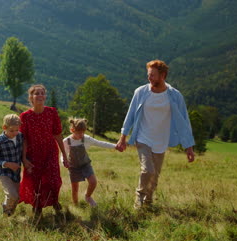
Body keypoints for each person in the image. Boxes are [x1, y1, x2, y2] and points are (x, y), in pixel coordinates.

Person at [116, 59, 195, 209]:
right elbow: (131, 114)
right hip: (142, 138)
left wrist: (189, 147)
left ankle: (148, 202)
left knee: (155, 177)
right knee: (148, 170)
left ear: (163, 76)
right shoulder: (141, 92)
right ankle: (138, 200)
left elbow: (184, 122)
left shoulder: (175, 96)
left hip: (161, 141)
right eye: (148, 75)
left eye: (152, 75)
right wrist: (123, 137)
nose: (149, 78)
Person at [20, 84, 69, 217]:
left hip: (50, 152)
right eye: (37, 93)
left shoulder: (51, 112)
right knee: (35, 182)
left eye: (42, 93)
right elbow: (23, 139)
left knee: (54, 180)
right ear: (31, 97)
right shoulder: (25, 116)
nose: (40, 96)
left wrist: (64, 155)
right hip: (33, 153)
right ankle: (37, 207)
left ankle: (54, 201)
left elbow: (58, 134)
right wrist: (24, 158)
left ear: (45, 96)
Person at [63, 118, 118, 207]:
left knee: (93, 182)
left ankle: (87, 196)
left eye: (83, 132)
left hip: (85, 165)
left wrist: (115, 146)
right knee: (75, 188)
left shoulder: (86, 139)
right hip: (73, 167)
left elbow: (100, 143)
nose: (81, 135)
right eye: (79, 133)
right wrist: (63, 161)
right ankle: (76, 205)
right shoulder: (66, 141)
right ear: (72, 130)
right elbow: (63, 154)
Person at [0, 114, 23, 216]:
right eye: (11, 131)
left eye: (17, 130)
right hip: (4, 172)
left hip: (16, 173)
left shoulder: (20, 137)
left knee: (16, 197)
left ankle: (9, 215)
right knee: (12, 195)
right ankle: (5, 211)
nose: (15, 133)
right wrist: (7, 164)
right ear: (4, 128)